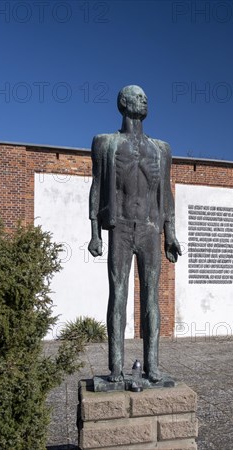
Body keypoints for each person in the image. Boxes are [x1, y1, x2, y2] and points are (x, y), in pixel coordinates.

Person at [88, 85, 181, 382]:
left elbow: (165, 193)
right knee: (118, 295)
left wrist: (171, 233)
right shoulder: (105, 143)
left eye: (145, 96)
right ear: (123, 103)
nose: (144, 100)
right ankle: (115, 366)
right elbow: (96, 187)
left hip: (151, 229)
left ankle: (152, 366)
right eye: (137, 96)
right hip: (121, 227)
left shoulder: (161, 149)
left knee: (152, 297)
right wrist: (95, 232)